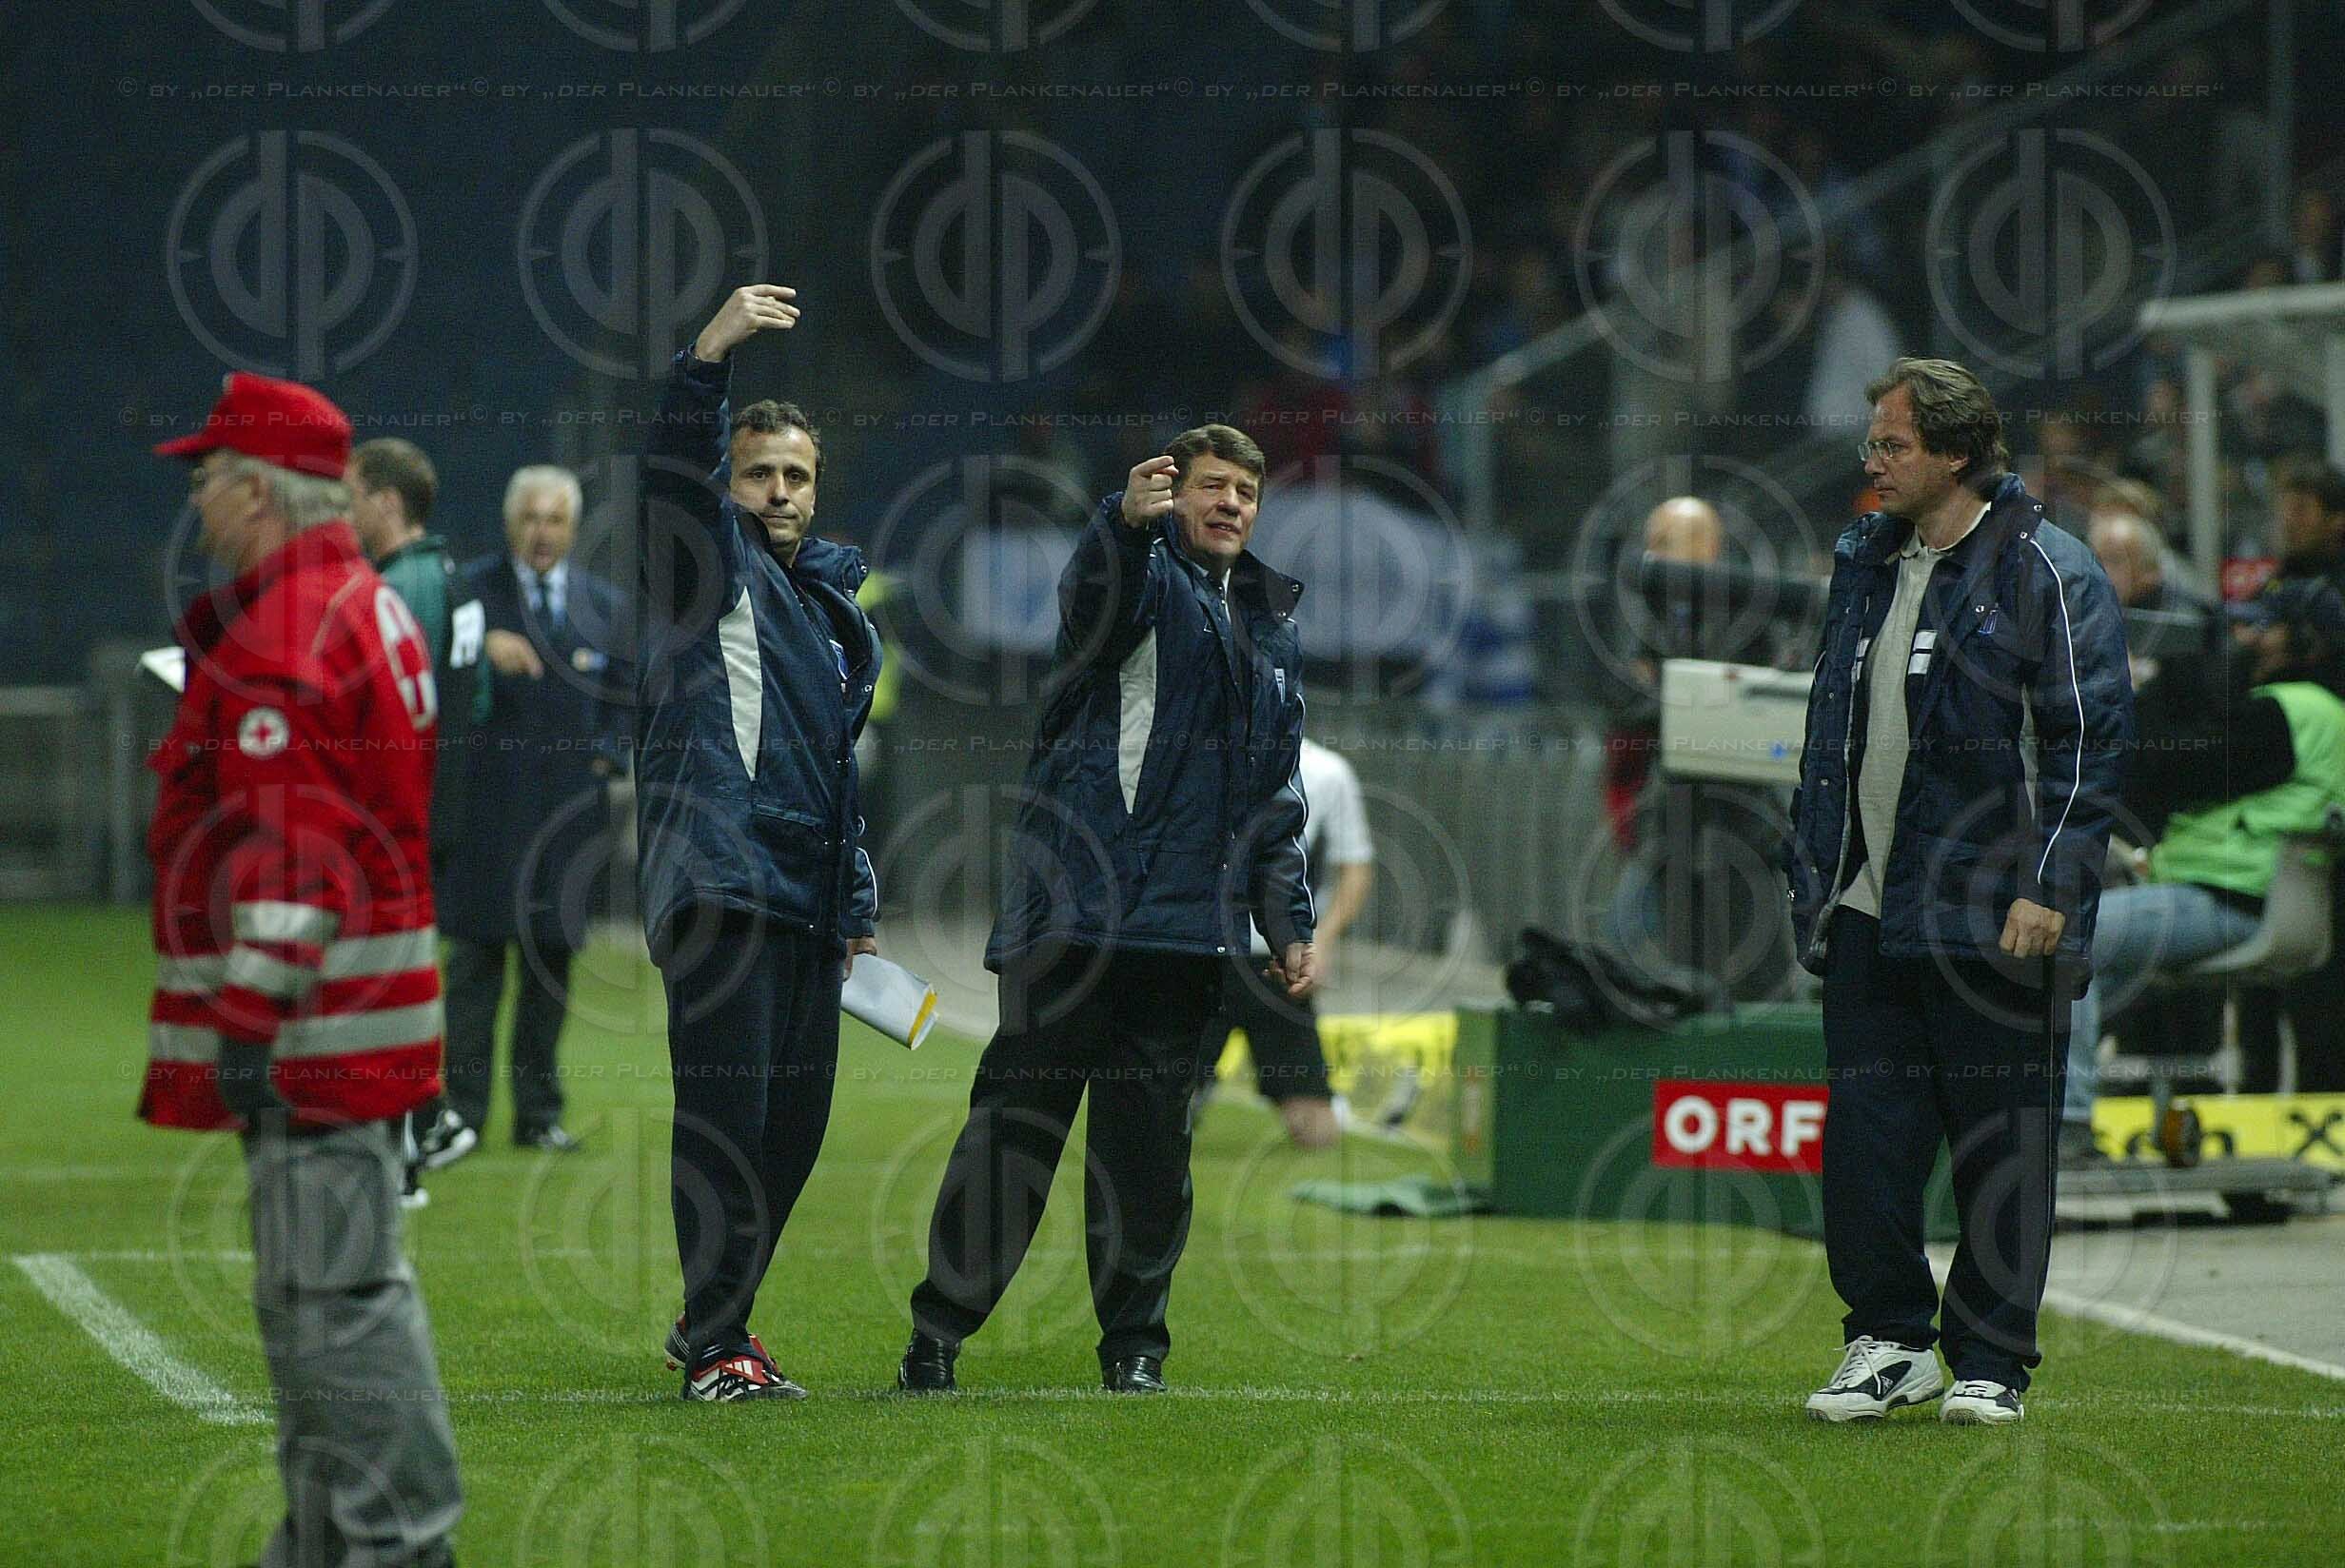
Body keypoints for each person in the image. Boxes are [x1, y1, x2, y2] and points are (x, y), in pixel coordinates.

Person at [898, 425, 1314, 1398]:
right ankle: (938, 1333)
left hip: (1185, 935)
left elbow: (1273, 796)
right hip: (1075, 922)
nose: (1231, 507)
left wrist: (1285, 921)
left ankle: (1135, 1349)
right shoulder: (1137, 578)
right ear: (1174, 497)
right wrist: (1120, 527)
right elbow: (1090, 605)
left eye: (1245, 495)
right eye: (1212, 488)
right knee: (1012, 1137)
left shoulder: (1270, 621)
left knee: (1147, 1161)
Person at [146, 372, 462, 1564]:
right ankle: (337, 1542)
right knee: (326, 1305)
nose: (202, 508)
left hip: (317, 1035)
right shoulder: (358, 600)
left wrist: (243, 1020)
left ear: (257, 491)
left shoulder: (294, 622)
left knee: (336, 1308)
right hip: (361, 1020)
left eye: (210, 481)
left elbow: (298, 858)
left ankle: (389, 1544)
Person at [1783, 357, 2133, 1427]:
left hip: (1995, 914)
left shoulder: (2046, 569)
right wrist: (1817, 873)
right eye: (1872, 442)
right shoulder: (1866, 560)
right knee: (1867, 1143)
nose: (1871, 462)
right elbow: (1832, 739)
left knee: (2001, 1143)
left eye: (1891, 444)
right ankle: (1887, 1341)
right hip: (1868, 908)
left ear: (1951, 450)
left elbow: (2089, 743)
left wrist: (2051, 888)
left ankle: (1991, 1359)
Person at [639, 284, 882, 1401]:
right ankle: (719, 1348)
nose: (777, 492)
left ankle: (714, 1316)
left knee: (793, 1131)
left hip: (807, 899)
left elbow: (835, 776)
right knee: (726, 1123)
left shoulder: (838, 616)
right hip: (721, 880)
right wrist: (704, 361)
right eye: (758, 474)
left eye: (795, 476)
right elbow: (668, 482)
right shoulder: (706, 572)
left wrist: (861, 906)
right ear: (729, 486)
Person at [2064, 580, 2345, 1152]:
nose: (2247, 638)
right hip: (2254, 900)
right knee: (2085, 980)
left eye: (2263, 626)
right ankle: (2071, 1107)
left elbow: (2178, 771)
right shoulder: (2323, 713)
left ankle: (2067, 1128)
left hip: (2230, 898)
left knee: (2066, 941)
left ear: (2307, 640)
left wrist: (2144, 698)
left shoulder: (2284, 713)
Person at [433, 465, 628, 1158]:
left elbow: (629, 699)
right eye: (531, 519)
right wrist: (478, 652)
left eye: (555, 520)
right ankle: (460, 1115)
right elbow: (430, 670)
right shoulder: (467, 596)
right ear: (510, 523)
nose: (542, 533)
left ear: (573, 529)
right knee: (475, 973)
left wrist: (612, 754)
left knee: (549, 977)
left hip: (569, 823)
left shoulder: (605, 605)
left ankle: (538, 1116)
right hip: (486, 817)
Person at [348, 437, 488, 1195]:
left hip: (402, 812)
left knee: (388, 976)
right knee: (409, 971)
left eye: (353, 495)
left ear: (387, 500)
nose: (344, 510)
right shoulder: (453, 577)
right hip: (447, 806)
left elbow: (388, 709)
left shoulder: (399, 586)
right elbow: (480, 698)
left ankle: (418, 1130)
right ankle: (424, 1122)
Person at [1198, 735, 1373, 1149]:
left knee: (1317, 1129)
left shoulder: (1327, 772)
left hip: (1280, 963)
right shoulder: (1201, 760)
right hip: (1205, 955)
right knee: (1156, 1110)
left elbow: (1356, 869)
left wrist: (1323, 941)